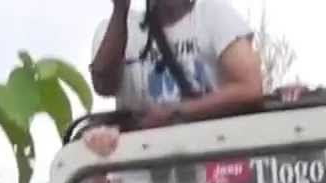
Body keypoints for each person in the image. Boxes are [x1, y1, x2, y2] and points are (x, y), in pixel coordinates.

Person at [83, 0, 266, 157]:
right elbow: (103, 85)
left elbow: (250, 88)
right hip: (139, 172)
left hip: (210, 164)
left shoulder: (213, 13)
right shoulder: (120, 27)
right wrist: (120, 10)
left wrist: (176, 112)